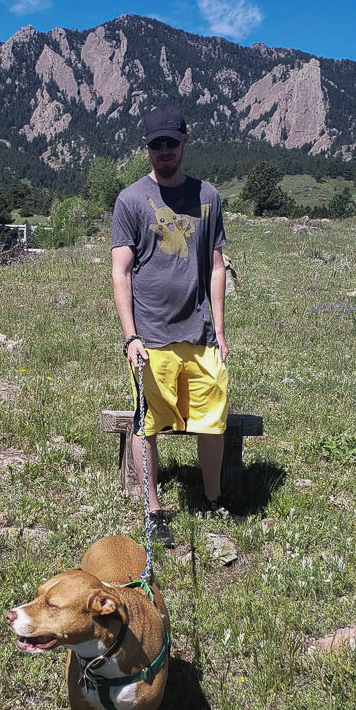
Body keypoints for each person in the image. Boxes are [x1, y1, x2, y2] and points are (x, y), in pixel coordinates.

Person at [110, 104, 231, 548]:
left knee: (212, 418)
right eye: (156, 144)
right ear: (147, 147)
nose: (164, 151)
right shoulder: (130, 200)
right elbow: (120, 272)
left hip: (200, 334)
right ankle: (154, 510)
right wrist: (130, 336)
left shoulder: (208, 197)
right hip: (151, 336)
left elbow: (217, 266)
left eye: (171, 142)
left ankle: (214, 497)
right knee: (149, 423)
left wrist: (220, 329)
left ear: (185, 141)